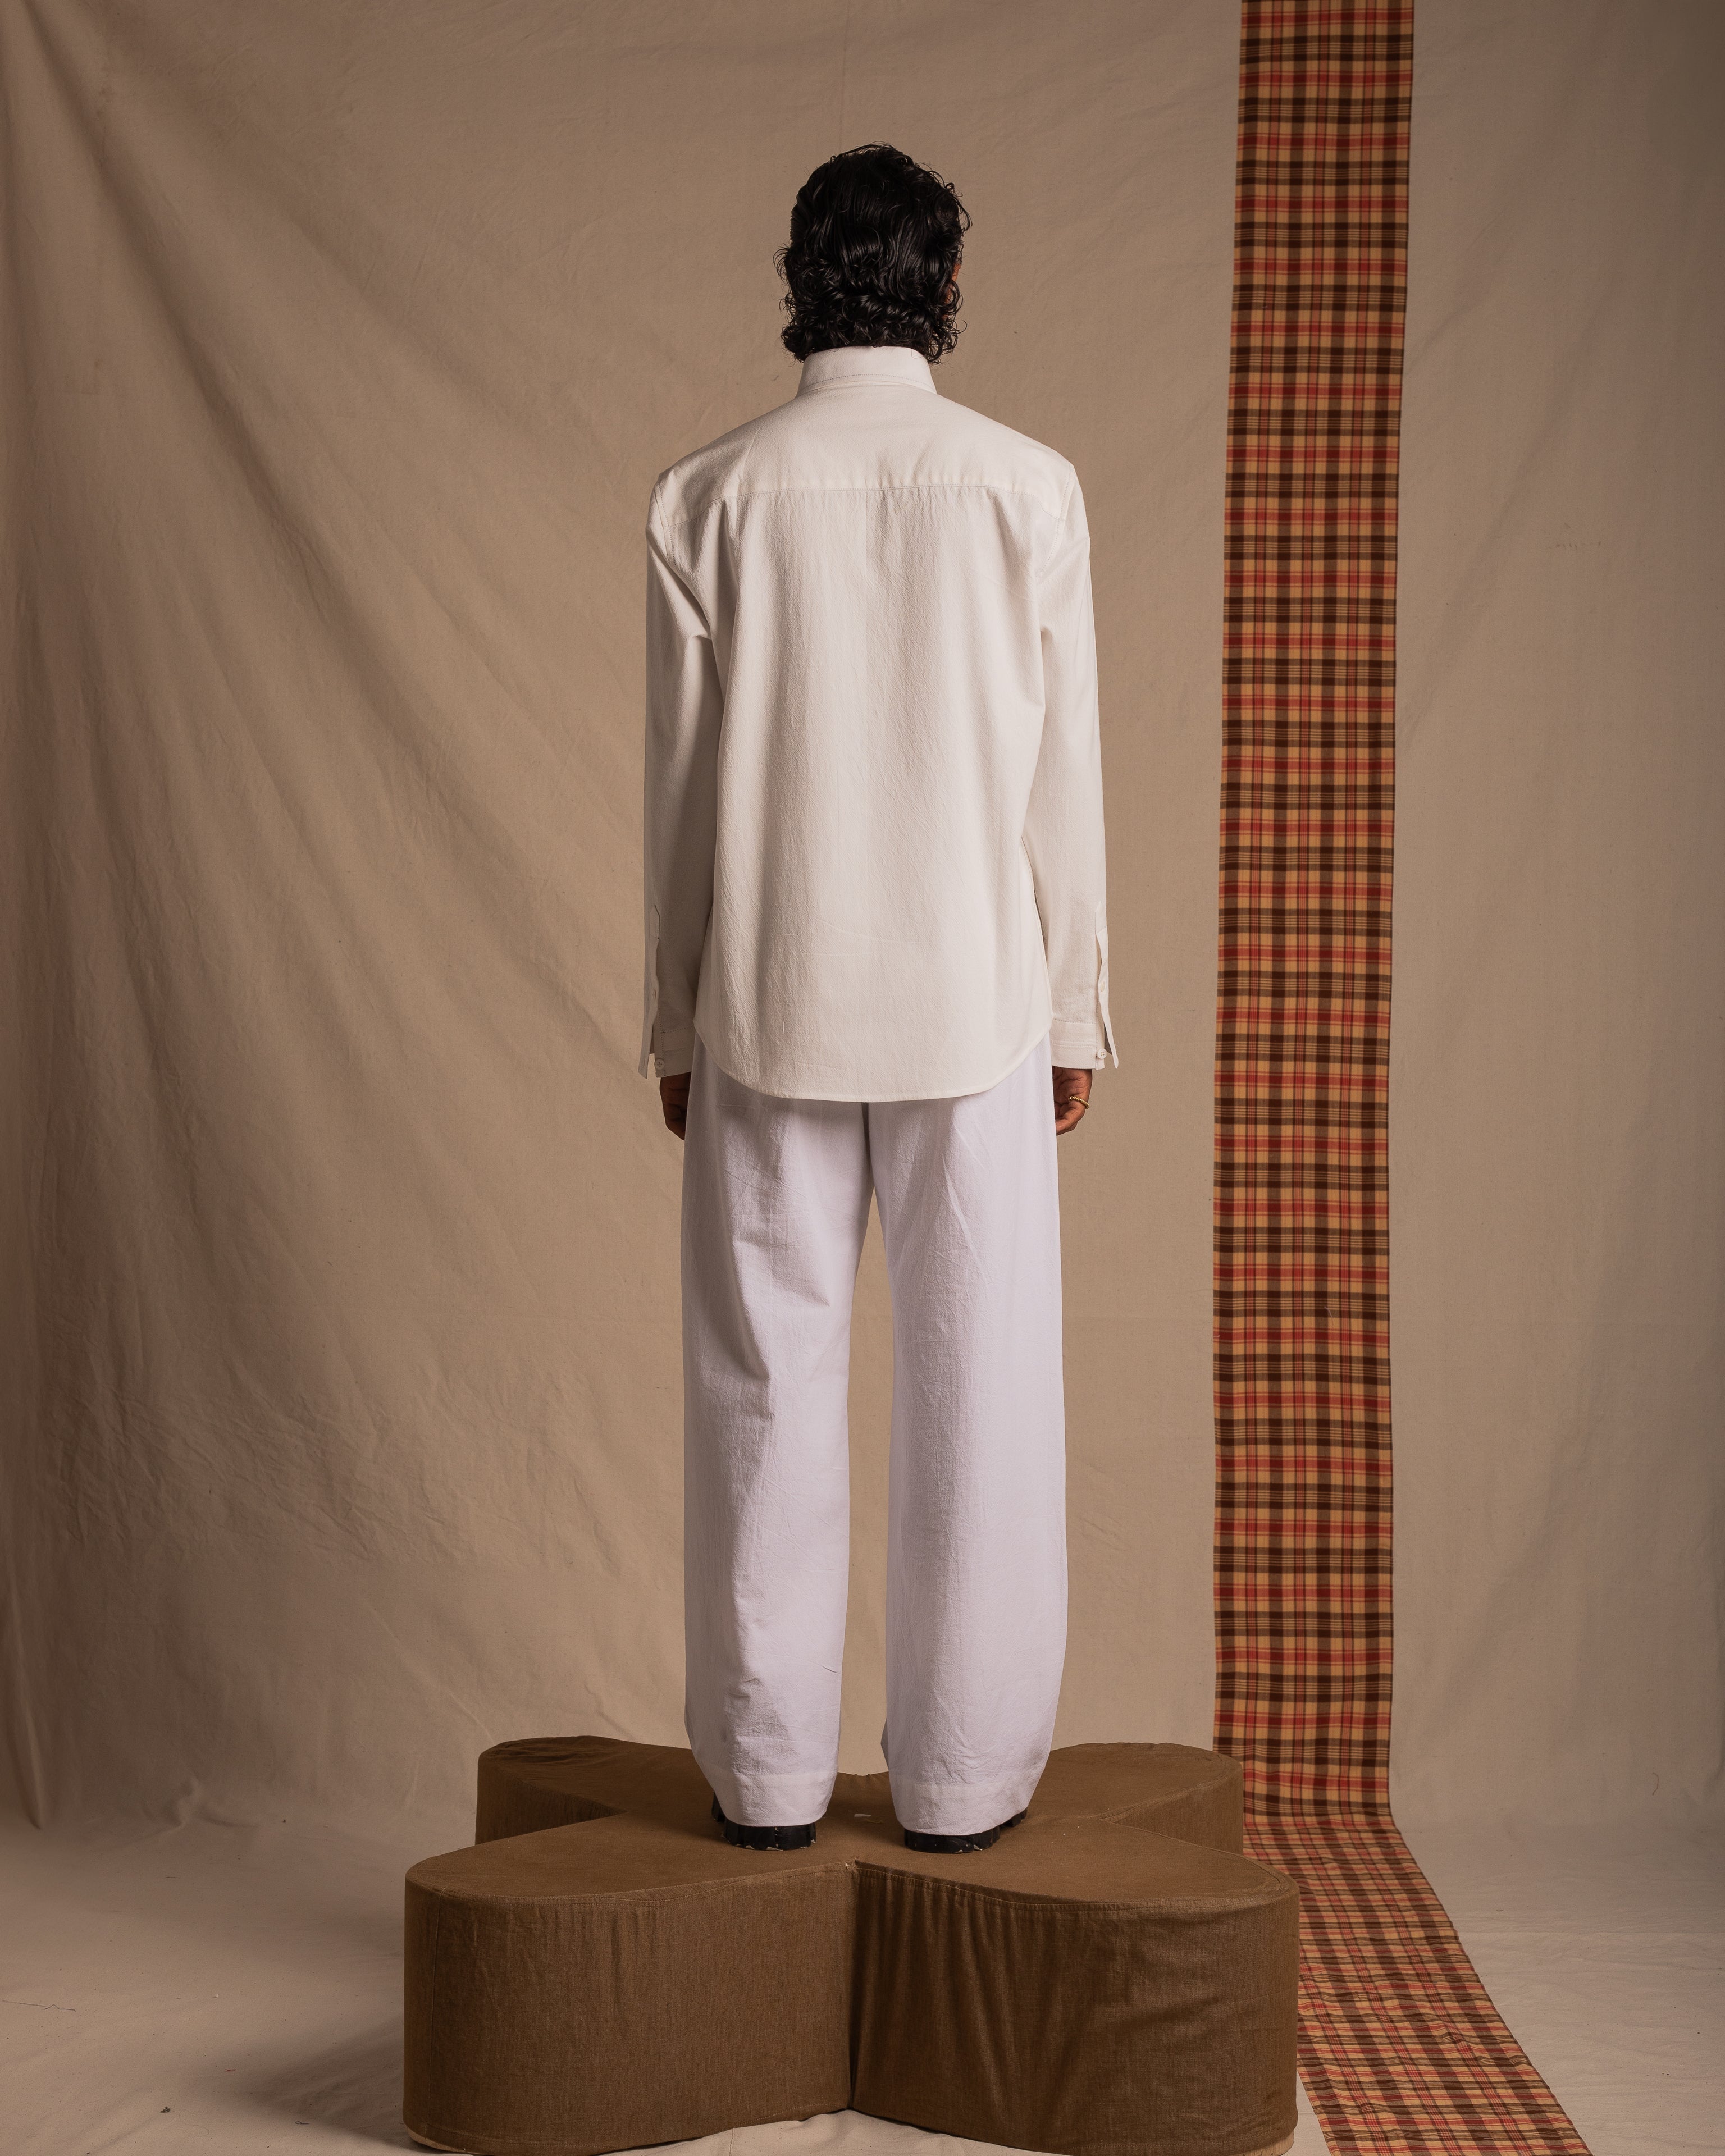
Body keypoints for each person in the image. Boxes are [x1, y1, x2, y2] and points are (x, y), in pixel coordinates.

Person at [638, 144, 1115, 1857]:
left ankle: (765, 1780)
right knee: (979, 1395)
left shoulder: (707, 496)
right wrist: (1071, 1013)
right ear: (946, 288)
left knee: (763, 1390)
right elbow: (1063, 784)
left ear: (798, 279)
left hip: (770, 996)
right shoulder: (1028, 488)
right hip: (974, 1001)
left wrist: (679, 1024)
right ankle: (964, 1785)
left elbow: (680, 798)